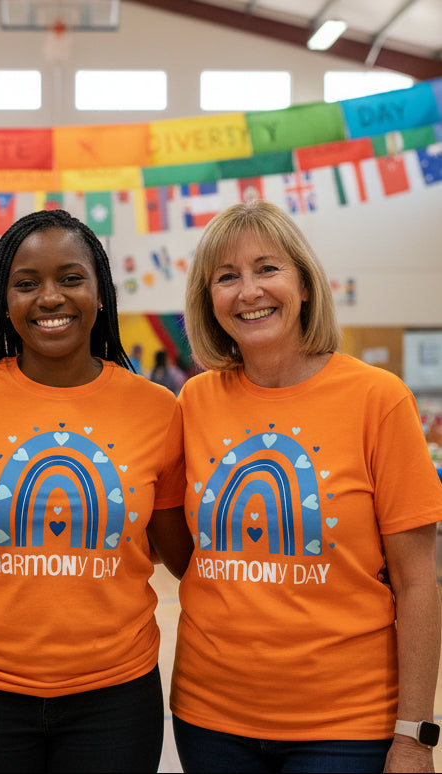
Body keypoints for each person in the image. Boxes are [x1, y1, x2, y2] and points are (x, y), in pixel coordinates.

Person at [0, 208, 192, 772]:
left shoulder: (158, 411)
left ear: (100, 292)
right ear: (2, 301)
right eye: (26, 283)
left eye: (71, 278)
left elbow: (184, 556)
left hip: (116, 697)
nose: (50, 297)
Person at [171, 200, 442, 773]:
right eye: (227, 277)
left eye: (267, 269)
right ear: (207, 300)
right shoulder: (194, 402)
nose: (249, 291)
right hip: (210, 719)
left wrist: (414, 735)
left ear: (305, 284)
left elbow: (419, 582)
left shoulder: (379, 399)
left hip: (344, 728)